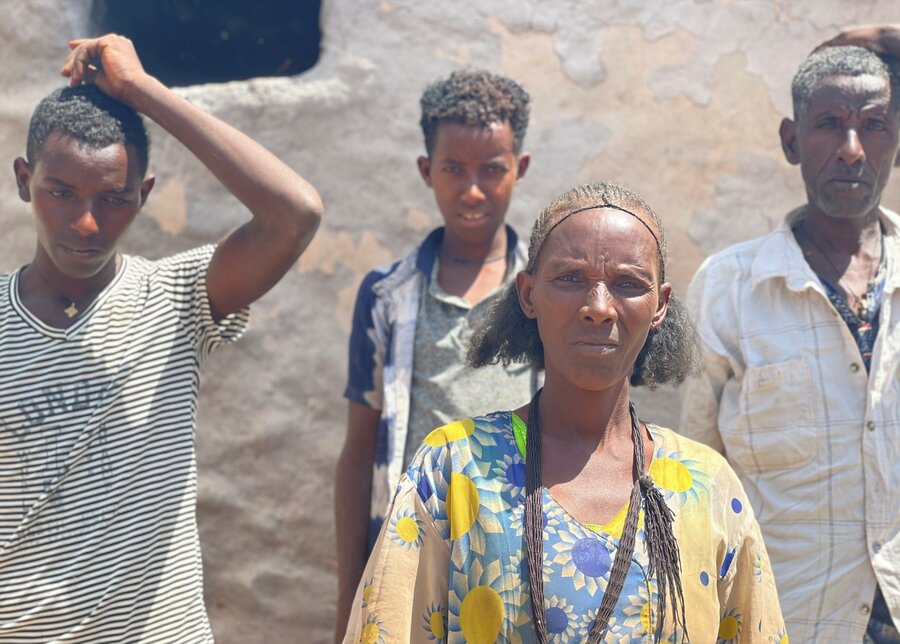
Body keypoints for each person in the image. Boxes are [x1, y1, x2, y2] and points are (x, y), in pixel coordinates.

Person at [342, 182, 784, 642]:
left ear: (660, 306)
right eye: (571, 278)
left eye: (629, 285)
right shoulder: (453, 469)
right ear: (528, 294)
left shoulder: (708, 487)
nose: (598, 307)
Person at [0, 35, 322, 641]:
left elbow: (295, 213)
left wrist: (142, 92)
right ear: (24, 181)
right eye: (60, 193)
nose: (86, 223)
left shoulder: (176, 298)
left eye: (114, 199)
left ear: (143, 197)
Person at [680, 25, 900, 642]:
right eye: (829, 124)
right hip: (788, 622)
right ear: (791, 141)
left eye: (876, 125)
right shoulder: (728, 287)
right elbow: (692, 477)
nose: (853, 150)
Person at [334, 70, 539, 636]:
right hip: (414, 553)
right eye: (453, 169)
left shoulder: (546, 293)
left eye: (492, 170)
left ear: (519, 169)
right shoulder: (387, 297)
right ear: (427, 171)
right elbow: (358, 455)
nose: (472, 191)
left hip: (524, 553)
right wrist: (350, 599)